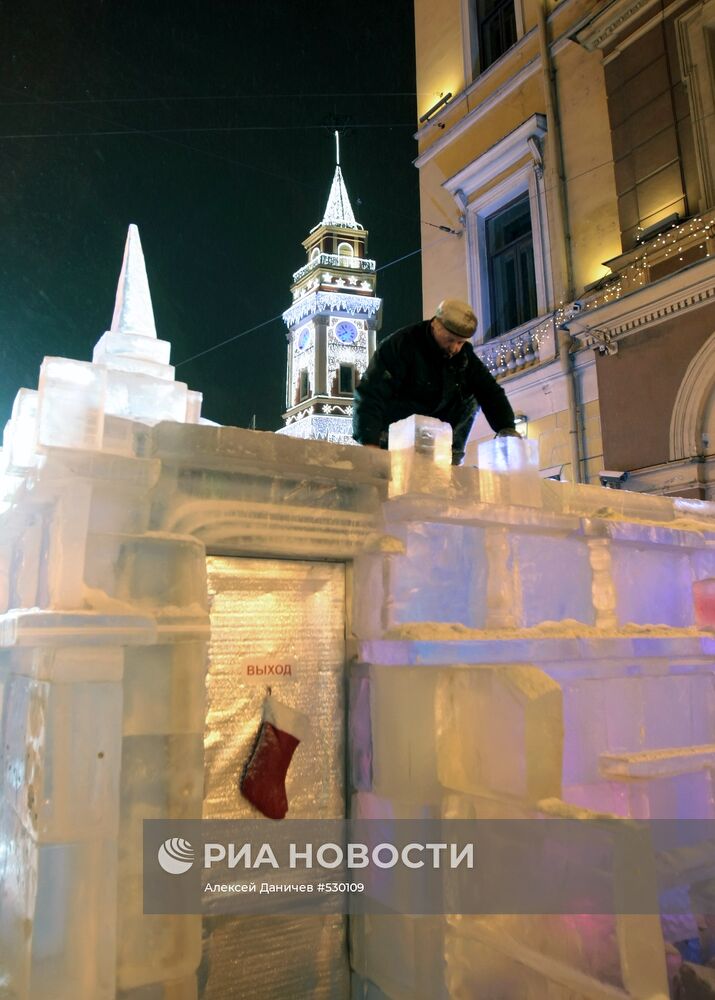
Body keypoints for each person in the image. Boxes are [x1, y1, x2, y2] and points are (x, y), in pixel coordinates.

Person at [353, 298, 519, 465]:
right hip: (397, 432)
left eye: (460, 342)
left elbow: (490, 392)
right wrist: (370, 444)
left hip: (439, 436)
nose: (454, 348)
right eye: (450, 340)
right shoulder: (401, 345)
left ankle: (452, 456)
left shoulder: (464, 358)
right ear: (435, 325)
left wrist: (506, 428)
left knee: (473, 394)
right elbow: (370, 394)